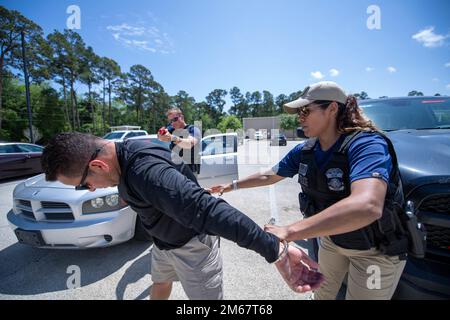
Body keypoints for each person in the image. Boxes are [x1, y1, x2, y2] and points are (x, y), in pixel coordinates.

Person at [41, 132, 323, 300]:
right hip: (163, 245)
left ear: (98, 165)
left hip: (192, 248)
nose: (88, 189)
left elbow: (205, 208)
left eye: (82, 184)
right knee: (160, 283)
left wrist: (274, 249)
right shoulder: (132, 148)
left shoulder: (144, 173)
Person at [208, 81, 408, 300]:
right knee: (321, 295)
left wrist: (289, 231)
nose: (299, 117)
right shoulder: (306, 150)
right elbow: (270, 174)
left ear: (332, 108)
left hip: (374, 251)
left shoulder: (367, 144)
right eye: (298, 112)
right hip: (333, 242)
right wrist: (231, 186)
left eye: (305, 110)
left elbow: (367, 206)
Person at [158, 107, 201, 175]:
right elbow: (160, 137)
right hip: (175, 170)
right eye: (171, 121)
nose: (172, 123)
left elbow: (189, 144)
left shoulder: (193, 129)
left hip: (190, 171)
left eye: (175, 119)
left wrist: (172, 138)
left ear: (182, 117)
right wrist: (161, 134)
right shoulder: (172, 129)